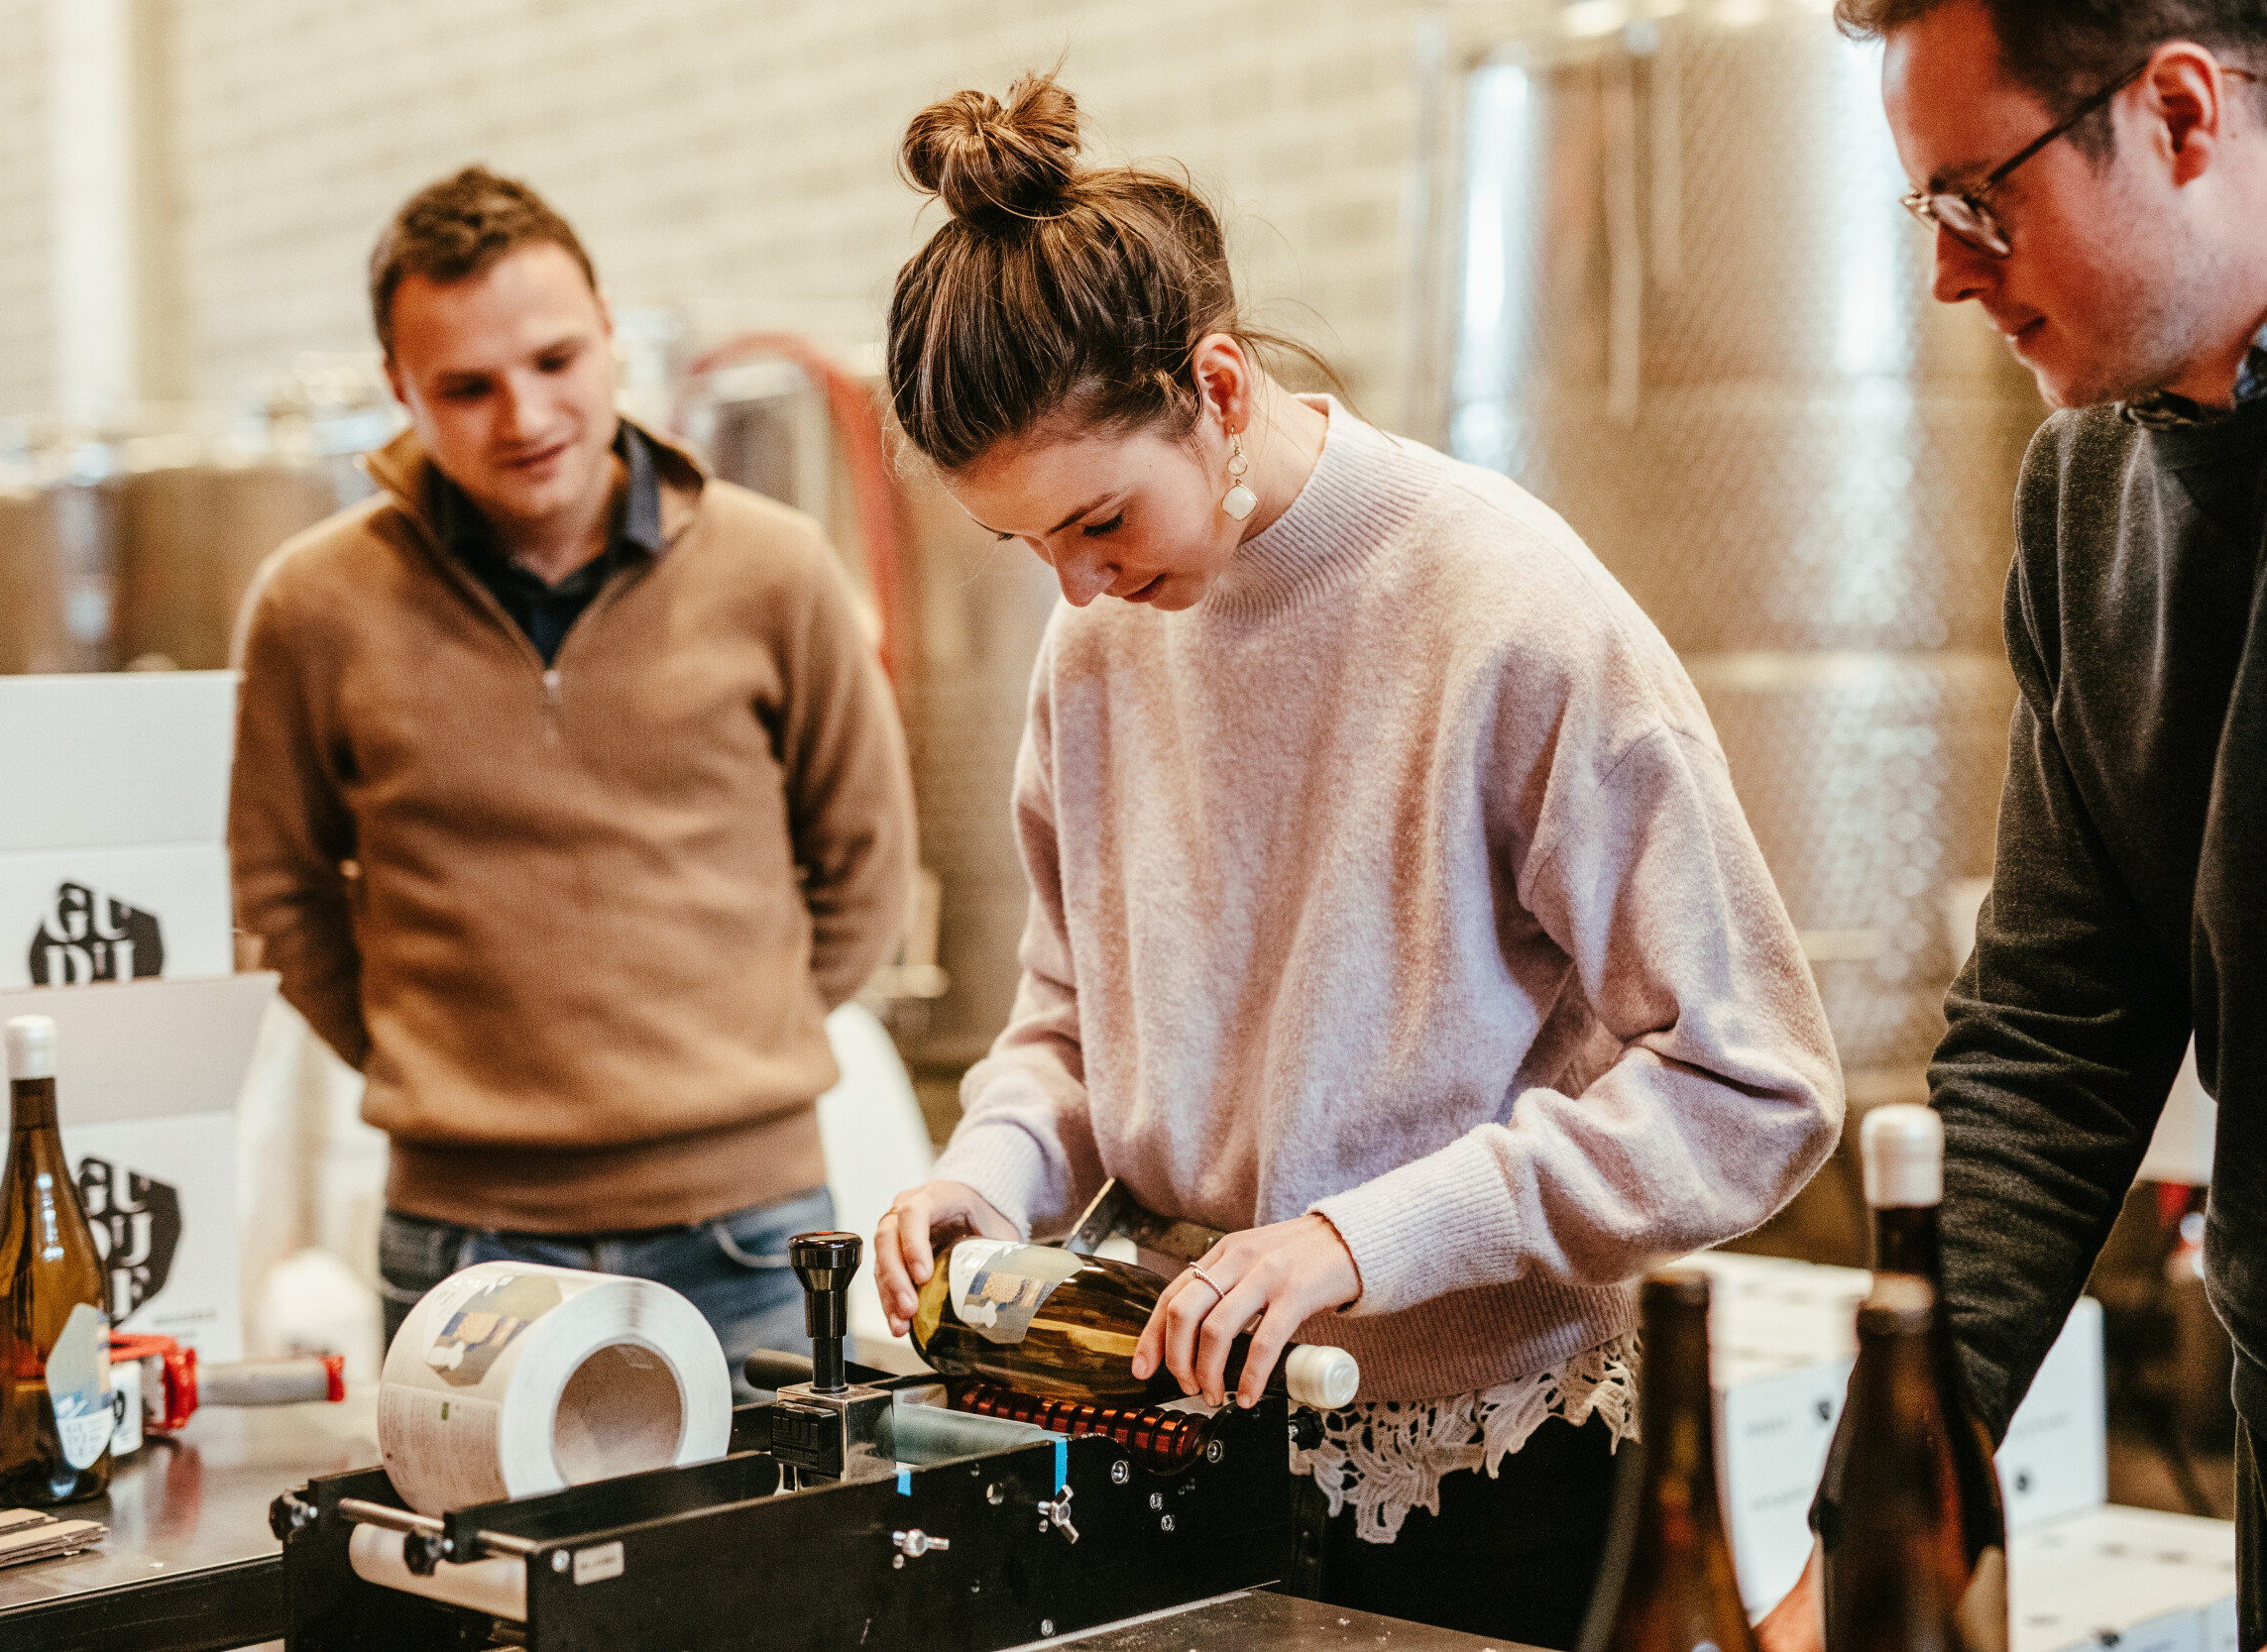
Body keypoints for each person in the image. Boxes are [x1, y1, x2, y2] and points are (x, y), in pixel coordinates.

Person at [864, 74, 1844, 1649]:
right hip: (1176, 1434)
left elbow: (1759, 1085)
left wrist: (1359, 1239)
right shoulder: (1094, 646)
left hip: (1491, 1482)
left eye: (1100, 516)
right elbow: (1068, 1019)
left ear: (1220, 384)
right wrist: (987, 1171)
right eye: (1028, 547)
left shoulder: (1507, 607)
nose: (1081, 584)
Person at [230, 166, 914, 1398]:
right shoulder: (312, 605)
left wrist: (731, 1047)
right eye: (467, 386)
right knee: (483, 1593)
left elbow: (864, 862)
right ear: (401, 391)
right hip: (464, 1244)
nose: (525, 413)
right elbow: (279, 892)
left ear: (611, 336)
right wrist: (428, 1058)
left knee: (777, 1584)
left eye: (555, 359)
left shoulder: (776, 572)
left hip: (750, 1232)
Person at [1756, 3, 2267, 1645]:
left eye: (1981, 198)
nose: (1949, 277)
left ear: (2180, 116)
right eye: (1930, 214)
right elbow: (2051, 1039)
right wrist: (1862, 1546)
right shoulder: (2088, 508)